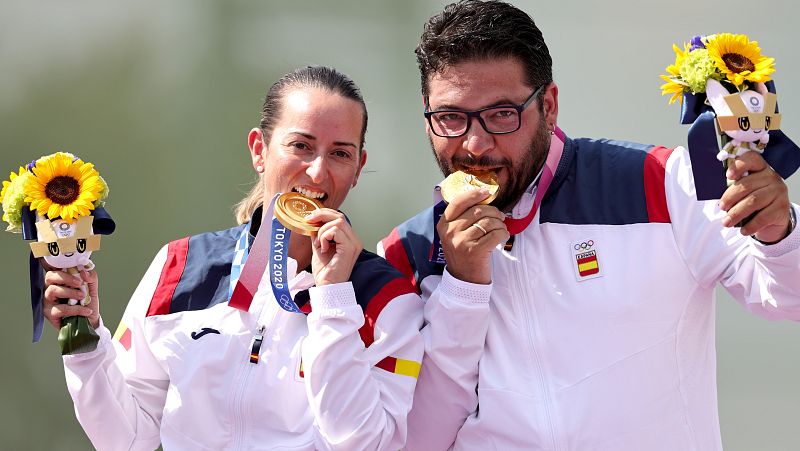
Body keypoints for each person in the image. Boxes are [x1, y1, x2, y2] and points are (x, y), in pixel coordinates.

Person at [378, 1, 800, 449]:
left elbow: (787, 301)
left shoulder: (659, 182)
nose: (476, 144)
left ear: (549, 105)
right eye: (451, 118)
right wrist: (461, 288)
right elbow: (416, 439)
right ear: (427, 114)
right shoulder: (407, 251)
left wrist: (781, 233)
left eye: (502, 114)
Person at [42, 66, 424, 450]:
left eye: (340, 153)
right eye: (301, 146)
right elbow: (127, 439)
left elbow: (367, 444)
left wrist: (333, 300)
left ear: (358, 168)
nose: (318, 171)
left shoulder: (389, 300)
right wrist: (84, 342)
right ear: (260, 150)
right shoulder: (180, 265)